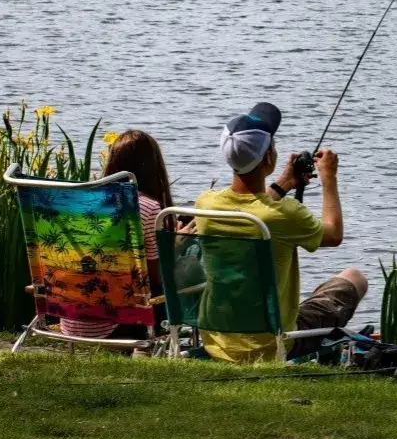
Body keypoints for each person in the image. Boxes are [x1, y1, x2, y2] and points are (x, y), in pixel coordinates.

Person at [194, 102, 368, 363]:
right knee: (354, 277)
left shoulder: (206, 205)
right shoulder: (284, 214)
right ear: (267, 158)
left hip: (218, 341)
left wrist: (285, 182)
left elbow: (255, 211)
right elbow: (333, 235)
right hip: (272, 343)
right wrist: (329, 177)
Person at [60, 129, 179, 340]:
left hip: (72, 319)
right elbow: (155, 276)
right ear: (154, 167)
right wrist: (178, 244)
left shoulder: (84, 202)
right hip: (116, 324)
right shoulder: (148, 208)